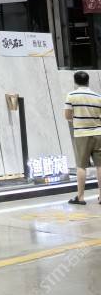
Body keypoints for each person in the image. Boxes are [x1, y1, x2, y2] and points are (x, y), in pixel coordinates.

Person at [64, 70, 101, 205]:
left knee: (81, 166)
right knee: (100, 165)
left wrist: (78, 119)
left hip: (81, 135)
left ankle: (80, 197)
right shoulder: (97, 96)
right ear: (88, 81)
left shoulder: (71, 96)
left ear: (75, 82)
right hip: (98, 134)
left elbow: (67, 116)